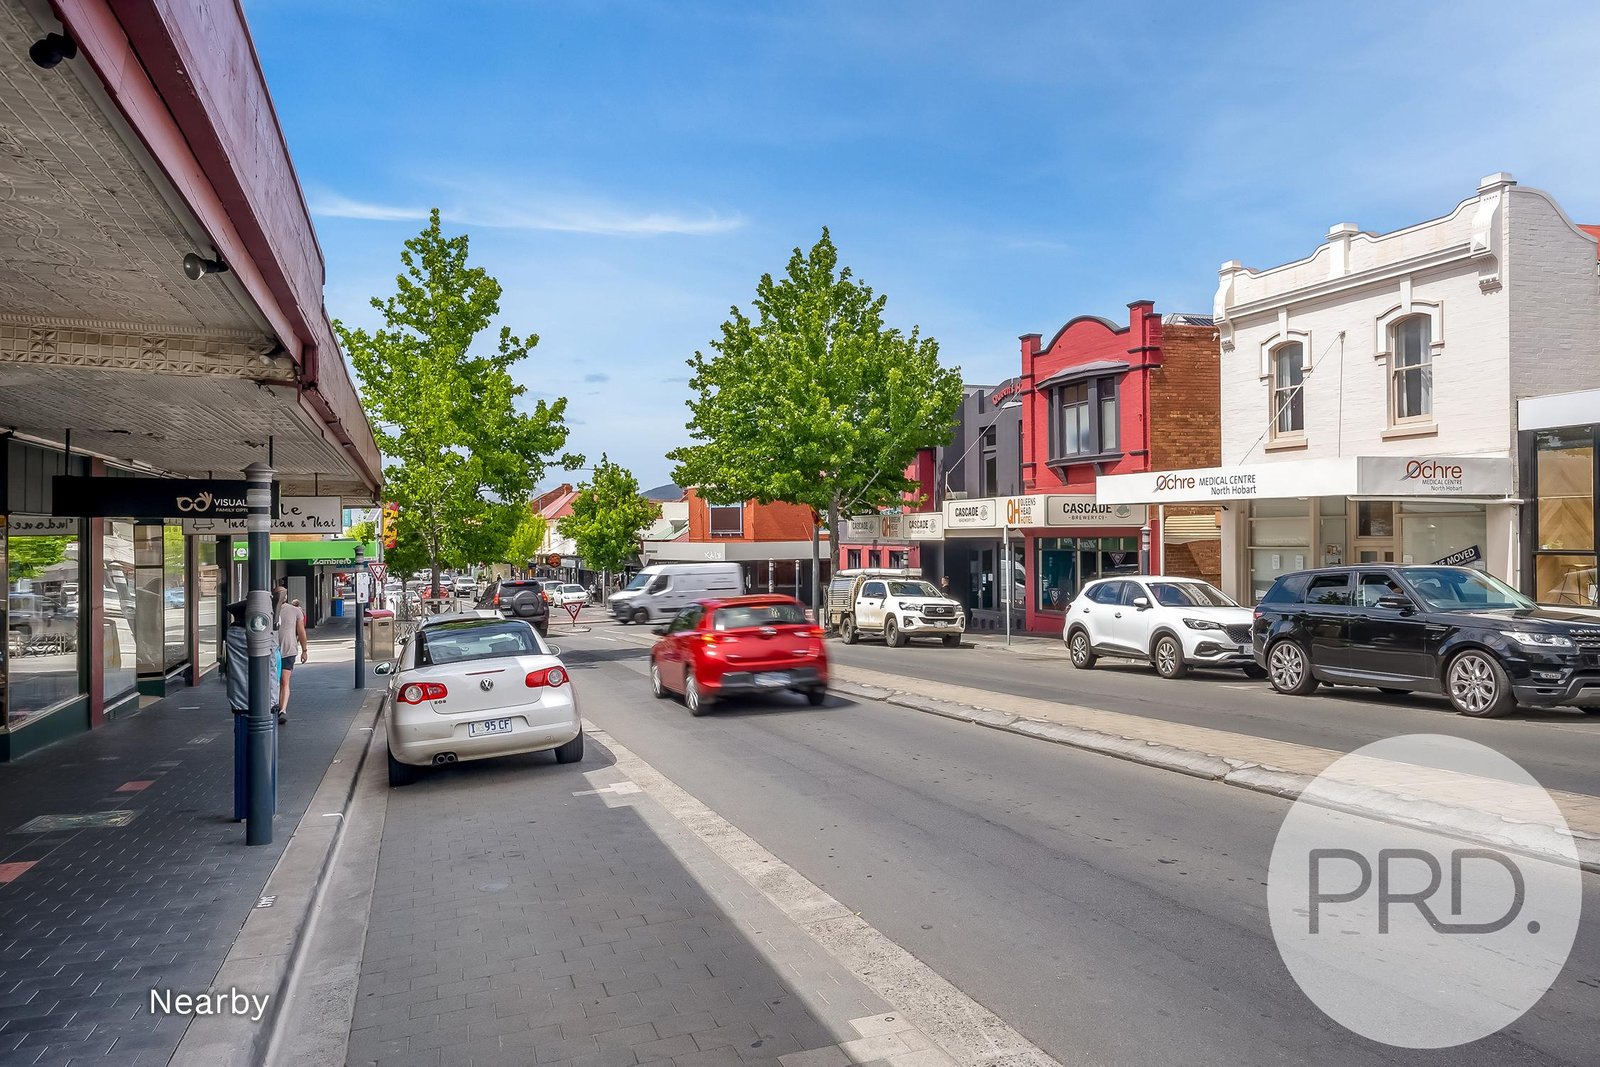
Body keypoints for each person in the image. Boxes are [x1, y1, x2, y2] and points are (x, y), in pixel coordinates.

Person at [275, 588, 308, 724]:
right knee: (277, 681)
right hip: (273, 651)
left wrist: (304, 650)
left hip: (287, 651)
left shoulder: (295, 611)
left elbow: (301, 632)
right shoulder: (269, 610)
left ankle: (282, 709)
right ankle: (277, 707)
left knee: (284, 680)